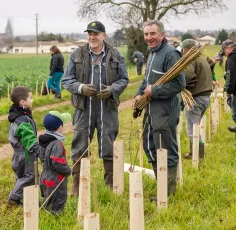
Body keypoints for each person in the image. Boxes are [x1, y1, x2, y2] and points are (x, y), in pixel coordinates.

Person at [62, 21, 129, 196]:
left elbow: (124, 79)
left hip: (108, 108)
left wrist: (112, 89)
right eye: (89, 34)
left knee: (109, 145)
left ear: (103, 35)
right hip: (84, 109)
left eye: (96, 34)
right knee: (79, 146)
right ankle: (77, 186)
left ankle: (110, 185)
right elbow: (66, 80)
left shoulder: (115, 54)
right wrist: (80, 88)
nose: (92, 37)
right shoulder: (77, 54)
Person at [132, 20, 185, 197]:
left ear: (162, 34)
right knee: (150, 145)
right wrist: (139, 95)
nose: (149, 37)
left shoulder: (171, 54)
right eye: (146, 34)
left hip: (165, 110)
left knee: (165, 148)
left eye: (153, 34)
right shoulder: (152, 53)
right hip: (150, 108)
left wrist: (154, 90)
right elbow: (147, 80)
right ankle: (161, 184)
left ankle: (167, 192)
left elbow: (179, 84)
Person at [7, 86, 40, 207]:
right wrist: (38, 150)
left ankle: (30, 199)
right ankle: (14, 198)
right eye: (30, 98)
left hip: (17, 153)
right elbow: (29, 138)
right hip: (26, 152)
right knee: (31, 176)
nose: (33, 99)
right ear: (22, 102)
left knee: (22, 176)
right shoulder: (22, 120)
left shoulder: (16, 114)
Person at [181, 39, 212, 159]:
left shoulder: (192, 59)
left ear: (185, 49)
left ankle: (198, 155)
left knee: (192, 129)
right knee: (196, 127)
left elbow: (187, 75)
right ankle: (193, 152)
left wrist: (178, 81)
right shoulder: (202, 58)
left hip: (196, 99)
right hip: (205, 97)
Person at [39, 111, 72, 214]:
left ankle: (47, 212)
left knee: (48, 196)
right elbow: (58, 162)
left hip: (44, 175)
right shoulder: (57, 143)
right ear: (59, 127)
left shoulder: (42, 140)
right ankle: (56, 217)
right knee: (58, 197)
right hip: (56, 177)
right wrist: (67, 171)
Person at [220, 40, 236, 133]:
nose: (225, 55)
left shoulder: (232, 58)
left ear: (227, 48)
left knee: (235, 115)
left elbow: (231, 75)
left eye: (224, 52)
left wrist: (229, 91)